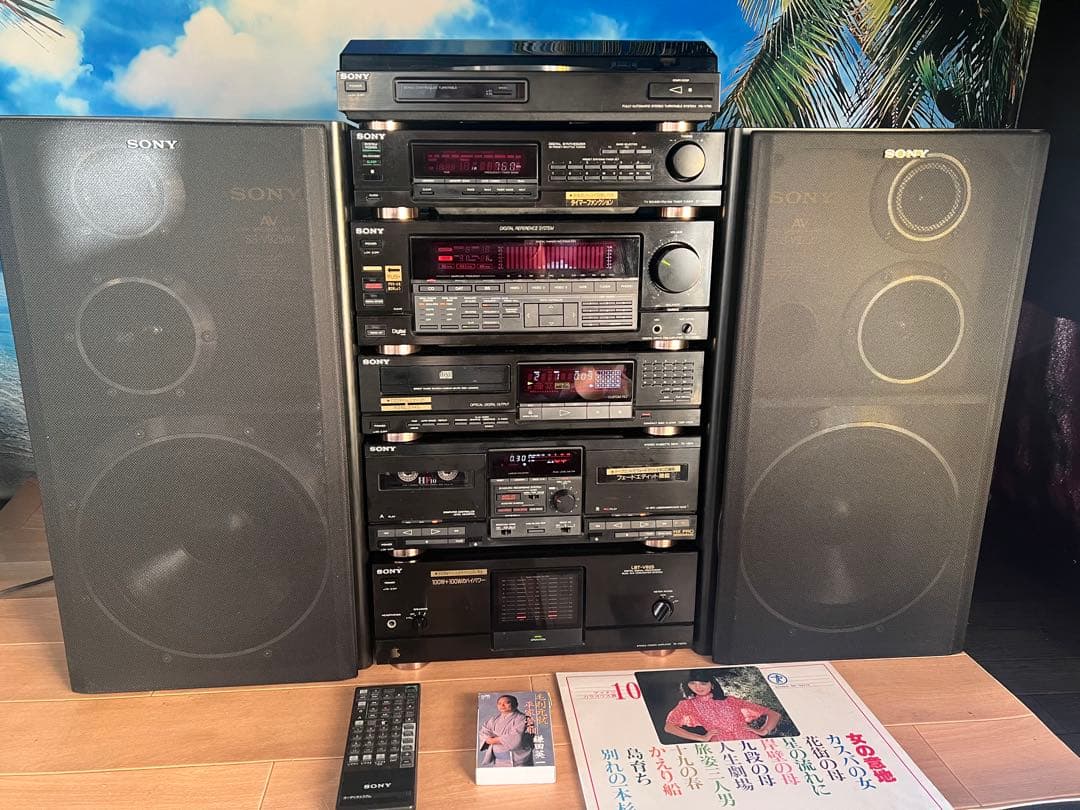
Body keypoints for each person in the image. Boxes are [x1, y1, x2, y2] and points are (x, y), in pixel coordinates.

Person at [663, 669, 781, 742]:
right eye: (693, 683)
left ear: (712, 685)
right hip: (721, 743)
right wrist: (702, 738)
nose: (697, 687)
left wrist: (763, 731)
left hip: (750, 739)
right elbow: (669, 727)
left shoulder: (731, 701)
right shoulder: (687, 705)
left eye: (703, 683)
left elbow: (774, 714)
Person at [479, 694, 533, 767]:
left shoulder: (522, 718)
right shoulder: (494, 719)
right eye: (499, 703)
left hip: (517, 760)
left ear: (515, 704)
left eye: (507, 703)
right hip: (498, 760)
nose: (502, 705)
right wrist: (491, 739)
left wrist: (492, 740)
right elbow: (484, 731)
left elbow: (515, 737)